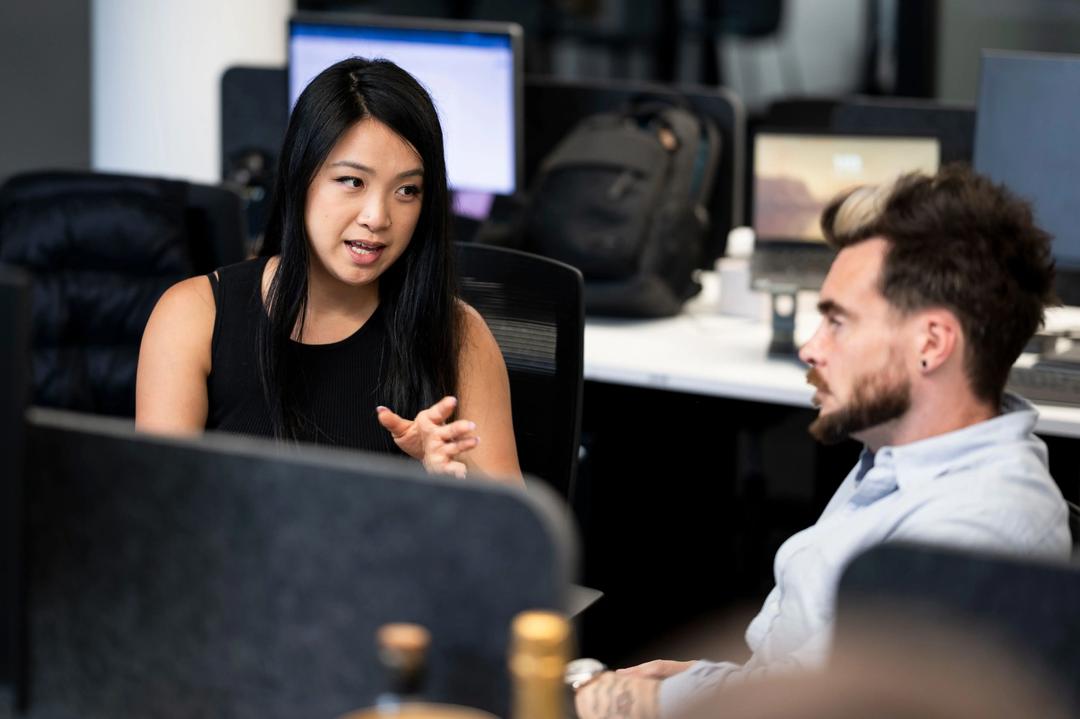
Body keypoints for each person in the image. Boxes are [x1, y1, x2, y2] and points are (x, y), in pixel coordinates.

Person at [573, 165, 1072, 719]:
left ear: (931, 343)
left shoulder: (975, 533)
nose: (810, 347)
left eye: (838, 322)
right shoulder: (897, 455)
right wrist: (713, 680)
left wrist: (650, 702)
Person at [136, 57, 521, 484]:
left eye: (407, 190)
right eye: (352, 181)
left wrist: (455, 477)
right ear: (302, 177)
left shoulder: (458, 334)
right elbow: (158, 522)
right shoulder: (193, 317)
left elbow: (515, 542)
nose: (378, 217)